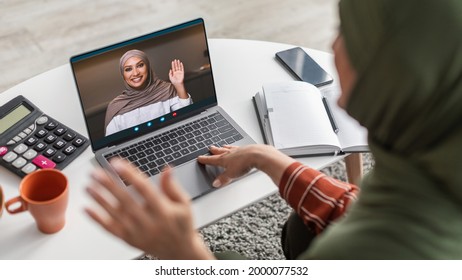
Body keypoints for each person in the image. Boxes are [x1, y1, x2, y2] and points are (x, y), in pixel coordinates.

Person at [85, 0, 462, 259]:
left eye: (350, 35)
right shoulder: (430, 175)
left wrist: (186, 253)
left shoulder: (372, 251)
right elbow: (351, 207)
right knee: (303, 225)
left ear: (395, 78)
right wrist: (265, 156)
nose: (332, 45)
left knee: (225, 255)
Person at [104, 49, 192, 136]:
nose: (135, 73)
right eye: (128, 69)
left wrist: (179, 85)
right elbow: (112, 145)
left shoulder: (167, 89)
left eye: (140, 65)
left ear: (148, 67)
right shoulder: (116, 107)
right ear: (123, 75)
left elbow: (188, 117)